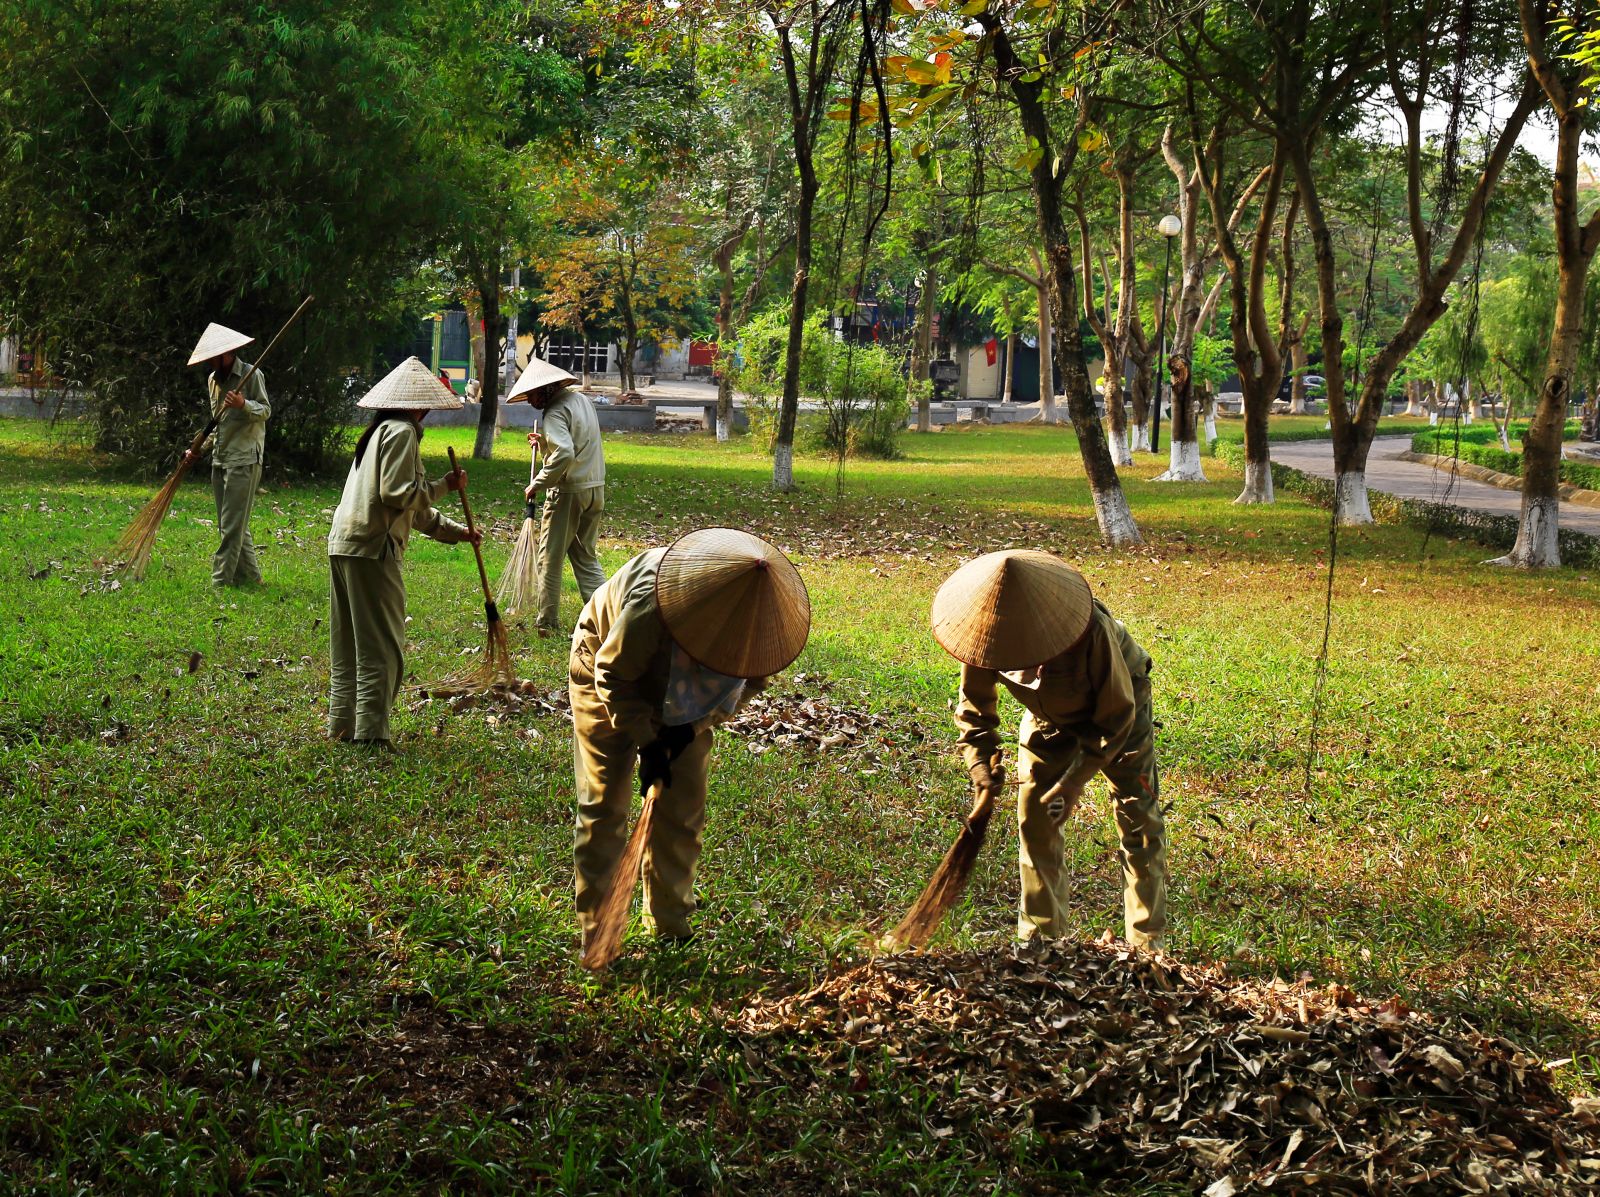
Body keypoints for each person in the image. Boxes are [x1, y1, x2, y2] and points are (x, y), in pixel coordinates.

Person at [570, 528, 810, 949]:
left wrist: (689, 730)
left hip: (683, 699)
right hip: (605, 666)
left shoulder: (761, 624)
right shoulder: (652, 602)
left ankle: (669, 921)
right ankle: (600, 931)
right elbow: (614, 675)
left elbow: (749, 684)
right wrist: (646, 742)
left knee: (683, 805)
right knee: (605, 802)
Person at [930, 549, 1167, 949]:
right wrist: (979, 767)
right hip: (1047, 719)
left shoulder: (1089, 631)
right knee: (1035, 819)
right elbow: (975, 711)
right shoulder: (984, 634)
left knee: (1138, 821)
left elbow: (1116, 717)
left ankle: (1147, 946)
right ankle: (1041, 938)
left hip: (1120, 711)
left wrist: (1075, 781)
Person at [325, 357, 480, 748]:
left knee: (349, 645)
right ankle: (372, 736)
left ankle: (342, 726)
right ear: (419, 404)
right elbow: (396, 495)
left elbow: (415, 510)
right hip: (373, 549)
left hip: (345, 545)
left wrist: (459, 533)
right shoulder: (403, 433)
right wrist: (445, 484)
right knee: (383, 648)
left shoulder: (378, 432)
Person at [506, 356, 607, 637]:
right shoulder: (581, 402)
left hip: (568, 494)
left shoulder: (554, 412)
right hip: (594, 488)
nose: (529, 401)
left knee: (549, 558)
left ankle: (547, 622)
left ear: (547, 389)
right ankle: (610, 615)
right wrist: (545, 442)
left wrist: (537, 484)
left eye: (532, 395)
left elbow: (564, 453)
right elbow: (577, 441)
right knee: (585, 557)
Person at [182, 323, 270, 586]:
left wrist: (244, 404)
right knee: (229, 524)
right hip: (221, 457)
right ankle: (252, 579)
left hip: (245, 457)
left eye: (214, 357)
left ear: (228, 354)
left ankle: (220, 582)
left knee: (232, 526)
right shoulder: (213, 381)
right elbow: (216, 423)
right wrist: (197, 449)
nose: (210, 363)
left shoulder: (252, 375)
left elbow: (265, 411)